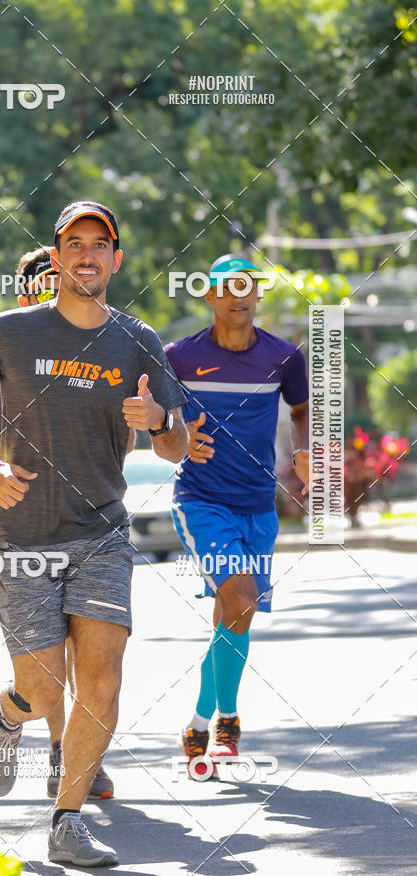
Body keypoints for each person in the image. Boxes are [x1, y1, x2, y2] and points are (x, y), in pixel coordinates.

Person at [0, 200, 188, 867]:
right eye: (72, 244)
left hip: (102, 533)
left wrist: (159, 419)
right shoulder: (10, 333)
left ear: (115, 259)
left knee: (101, 679)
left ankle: (67, 819)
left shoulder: (138, 340)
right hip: (23, 538)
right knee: (45, 690)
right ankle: (11, 712)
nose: (85, 254)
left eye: (98, 244)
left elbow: (177, 447)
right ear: (56, 259)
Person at [0, 245, 117, 802]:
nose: (47, 290)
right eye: (38, 284)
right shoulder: (10, 343)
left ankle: (69, 757)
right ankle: (28, 724)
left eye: (54, 280)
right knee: (48, 663)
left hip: (92, 521)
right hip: (17, 515)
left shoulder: (101, 341)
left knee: (90, 649)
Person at [165, 255, 309, 767]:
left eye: (246, 287)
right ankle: (220, 722)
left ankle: (209, 720)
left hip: (258, 507)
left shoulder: (284, 357)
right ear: (210, 297)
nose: (237, 297)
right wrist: (179, 437)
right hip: (201, 501)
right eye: (226, 288)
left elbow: (301, 408)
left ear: (258, 295)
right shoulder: (178, 357)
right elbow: (155, 419)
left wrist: (301, 450)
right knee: (242, 600)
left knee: (233, 615)